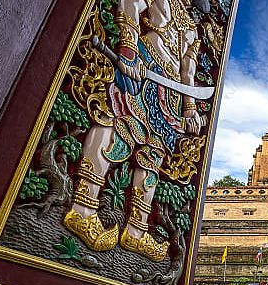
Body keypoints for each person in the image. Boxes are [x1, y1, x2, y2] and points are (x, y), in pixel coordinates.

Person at [63, 0, 210, 262]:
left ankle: (137, 230)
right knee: (117, 124)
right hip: (141, 66)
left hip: (169, 90)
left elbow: (188, 72)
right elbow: (130, 3)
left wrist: (190, 109)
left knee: (153, 157)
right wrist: (129, 49)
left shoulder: (193, 29)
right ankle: (83, 208)